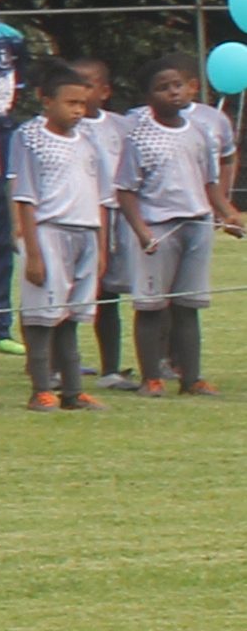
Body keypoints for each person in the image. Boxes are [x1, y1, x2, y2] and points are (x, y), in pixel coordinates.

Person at [4, 61, 115, 412]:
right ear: (46, 100)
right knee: (41, 316)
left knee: (72, 315)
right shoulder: (29, 138)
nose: (78, 111)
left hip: (85, 234)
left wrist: (101, 248)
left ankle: (72, 390)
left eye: (82, 104)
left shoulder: (89, 142)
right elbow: (25, 197)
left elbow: (100, 196)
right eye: (71, 103)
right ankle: (40, 388)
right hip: (49, 233)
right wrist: (33, 253)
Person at [115, 58, 227, 395]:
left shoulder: (200, 132)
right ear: (149, 96)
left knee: (188, 306)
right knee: (151, 306)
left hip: (197, 224)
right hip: (158, 229)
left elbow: (210, 183)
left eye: (177, 85)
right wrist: (142, 232)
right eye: (163, 88)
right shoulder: (139, 137)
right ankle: (152, 377)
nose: (173, 92)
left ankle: (191, 378)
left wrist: (227, 213)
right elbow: (125, 191)